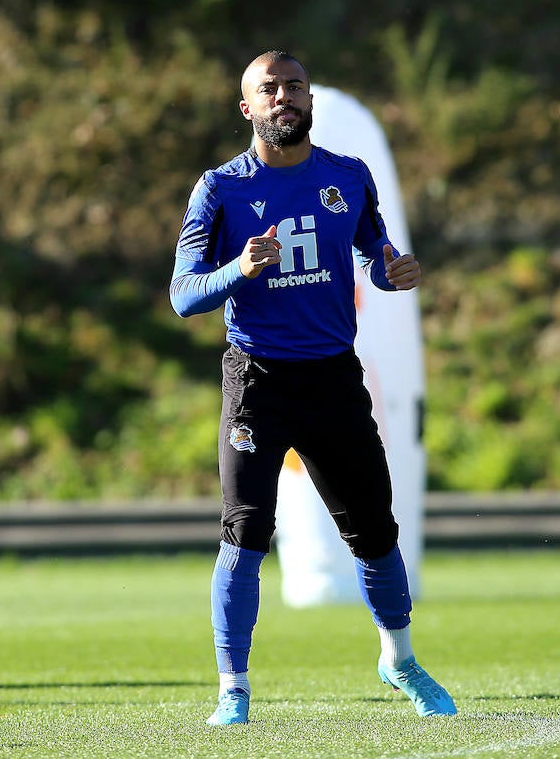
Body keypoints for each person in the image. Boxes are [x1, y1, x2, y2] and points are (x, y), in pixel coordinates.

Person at [169, 50, 456, 725]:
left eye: (293, 86)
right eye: (268, 89)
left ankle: (400, 658)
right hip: (258, 381)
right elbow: (184, 295)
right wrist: (239, 267)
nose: (283, 97)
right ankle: (232, 689)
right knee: (244, 531)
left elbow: (374, 257)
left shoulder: (348, 178)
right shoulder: (219, 189)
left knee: (375, 532)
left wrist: (393, 273)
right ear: (247, 107)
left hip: (332, 377)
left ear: (309, 101)